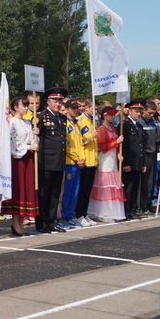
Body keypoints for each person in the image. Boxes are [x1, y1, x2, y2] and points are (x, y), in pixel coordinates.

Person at [1, 97, 39, 236]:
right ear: (16, 107)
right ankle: (15, 223)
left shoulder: (27, 122)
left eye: (27, 105)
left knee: (26, 189)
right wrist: (29, 146)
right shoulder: (12, 122)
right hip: (17, 159)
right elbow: (13, 143)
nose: (26, 108)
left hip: (28, 159)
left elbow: (32, 141)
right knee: (18, 189)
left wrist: (35, 136)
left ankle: (21, 221)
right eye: (24, 105)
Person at [35, 87, 67, 234]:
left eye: (60, 101)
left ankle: (51, 221)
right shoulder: (41, 117)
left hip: (59, 161)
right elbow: (36, 137)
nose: (58, 103)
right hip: (46, 162)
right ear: (48, 101)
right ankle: (41, 222)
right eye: (55, 100)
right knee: (44, 193)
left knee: (55, 194)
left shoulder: (62, 118)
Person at [88, 106, 126, 222]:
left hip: (113, 158)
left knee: (113, 185)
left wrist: (119, 152)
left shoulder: (113, 128)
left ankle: (112, 212)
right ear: (105, 115)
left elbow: (116, 145)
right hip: (105, 159)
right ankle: (103, 212)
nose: (113, 117)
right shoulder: (101, 129)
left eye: (114, 115)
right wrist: (116, 142)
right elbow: (103, 147)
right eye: (111, 115)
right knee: (105, 185)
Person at [118, 100, 145, 219]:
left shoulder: (138, 125)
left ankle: (132, 209)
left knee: (134, 188)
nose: (138, 114)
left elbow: (140, 145)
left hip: (137, 163)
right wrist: (126, 163)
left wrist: (143, 163)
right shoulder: (125, 125)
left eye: (140, 111)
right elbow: (124, 147)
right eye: (136, 111)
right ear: (130, 111)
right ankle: (125, 210)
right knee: (127, 188)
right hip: (129, 163)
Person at [60, 99, 85, 228]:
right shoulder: (65, 123)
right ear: (68, 109)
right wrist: (76, 158)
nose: (76, 110)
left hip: (78, 163)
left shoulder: (77, 124)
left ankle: (70, 215)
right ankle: (64, 216)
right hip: (69, 162)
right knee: (67, 191)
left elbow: (79, 144)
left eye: (77, 108)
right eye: (74, 108)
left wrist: (82, 158)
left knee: (75, 191)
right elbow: (67, 145)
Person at [74, 99, 98, 227]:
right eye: (93, 109)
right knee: (82, 190)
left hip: (92, 160)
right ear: (87, 108)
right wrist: (91, 136)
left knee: (87, 191)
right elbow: (81, 141)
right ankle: (79, 215)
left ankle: (84, 213)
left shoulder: (91, 121)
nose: (95, 111)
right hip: (85, 161)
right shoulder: (81, 121)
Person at [137, 100, 160, 214]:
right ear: (144, 110)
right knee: (144, 182)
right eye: (150, 113)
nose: (152, 115)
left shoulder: (153, 122)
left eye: (153, 113)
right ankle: (141, 206)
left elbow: (157, 139)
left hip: (153, 154)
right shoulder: (140, 123)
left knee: (152, 182)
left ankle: (148, 204)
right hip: (144, 155)